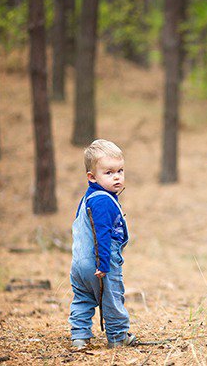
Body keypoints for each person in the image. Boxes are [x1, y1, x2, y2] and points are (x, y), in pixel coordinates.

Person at [69, 139, 135, 349]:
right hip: (100, 262)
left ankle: (79, 336)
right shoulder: (103, 201)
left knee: (82, 299)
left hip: (79, 264)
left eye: (120, 170)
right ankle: (117, 337)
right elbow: (102, 235)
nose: (116, 176)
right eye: (108, 172)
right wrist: (103, 264)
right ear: (92, 176)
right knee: (112, 298)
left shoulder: (89, 198)